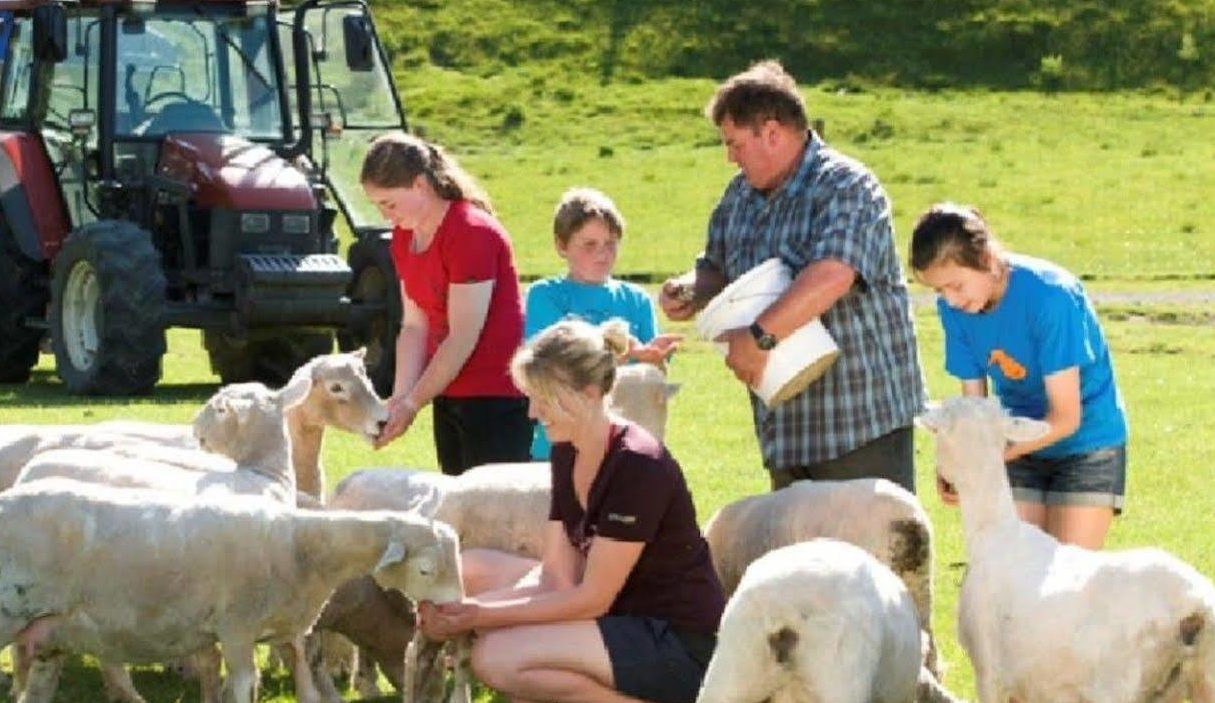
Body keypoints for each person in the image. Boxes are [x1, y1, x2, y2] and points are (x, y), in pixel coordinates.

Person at [417, 319, 725, 703]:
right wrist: (461, 607)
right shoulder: (568, 449)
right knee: (471, 572)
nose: (532, 414)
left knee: (494, 656)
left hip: (673, 641)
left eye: (542, 399)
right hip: (615, 615)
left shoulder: (637, 466)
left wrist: (477, 617)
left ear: (587, 393)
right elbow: (556, 577)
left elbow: (591, 599)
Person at [910, 202, 1129, 703]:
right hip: (1017, 446)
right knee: (1011, 607)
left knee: (1062, 610)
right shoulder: (958, 312)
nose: (950, 301)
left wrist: (989, 451)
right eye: (938, 291)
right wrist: (957, 462)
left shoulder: (1049, 296)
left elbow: (1066, 417)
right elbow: (970, 411)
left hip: (1083, 447)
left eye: (956, 285)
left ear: (988, 261)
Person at [659, 61, 924, 492]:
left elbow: (833, 274)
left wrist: (758, 337)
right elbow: (717, 267)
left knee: (869, 557)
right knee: (799, 561)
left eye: (735, 144)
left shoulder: (846, 186)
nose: (730, 156)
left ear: (772, 133)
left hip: (859, 422)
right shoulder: (738, 197)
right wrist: (692, 288)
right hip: (786, 427)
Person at [362, 132, 529, 474]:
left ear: (421, 185)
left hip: (497, 397)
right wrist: (398, 400)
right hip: (448, 392)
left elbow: (462, 336)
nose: (384, 215)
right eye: (377, 205)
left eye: (389, 204)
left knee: (493, 514)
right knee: (459, 509)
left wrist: (412, 403)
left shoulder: (471, 232)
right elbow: (413, 326)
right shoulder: (404, 236)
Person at [523, 187, 681, 459]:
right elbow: (553, 366)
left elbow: (648, 379)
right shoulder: (545, 295)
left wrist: (656, 360)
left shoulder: (637, 299)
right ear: (562, 245)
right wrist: (627, 353)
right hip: (560, 446)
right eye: (589, 245)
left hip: (626, 446)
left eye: (610, 243)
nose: (602, 254)